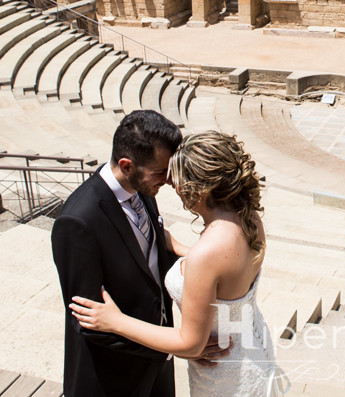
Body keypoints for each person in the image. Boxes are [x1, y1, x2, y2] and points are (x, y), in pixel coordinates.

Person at [71, 131, 287, 397]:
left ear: (199, 188)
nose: (174, 188)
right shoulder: (249, 217)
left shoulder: (205, 255)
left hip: (223, 375)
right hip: (254, 350)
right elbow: (228, 271)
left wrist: (115, 321)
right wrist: (176, 246)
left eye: (178, 184)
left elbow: (191, 344)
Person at [51, 110, 191, 397]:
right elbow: (89, 321)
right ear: (127, 165)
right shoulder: (78, 222)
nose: (168, 180)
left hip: (158, 369)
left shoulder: (142, 188)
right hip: (114, 379)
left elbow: (150, 259)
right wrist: (167, 346)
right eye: (161, 173)